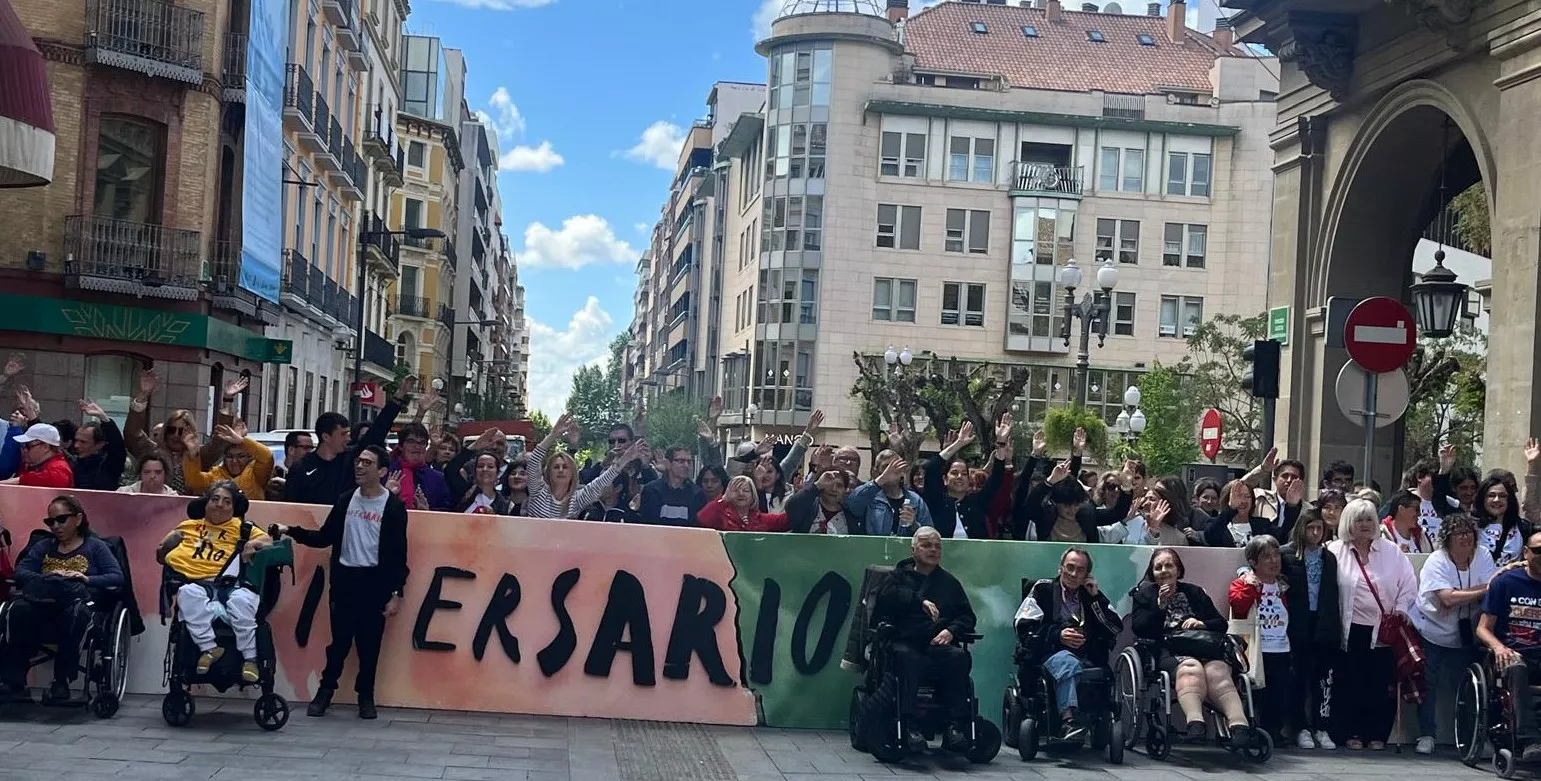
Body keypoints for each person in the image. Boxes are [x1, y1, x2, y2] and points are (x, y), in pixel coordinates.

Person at [275, 444, 408, 720]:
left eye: (367, 463)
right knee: (339, 643)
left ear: (382, 471)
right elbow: (326, 536)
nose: (359, 467)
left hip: (374, 583)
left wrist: (397, 592)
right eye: (358, 462)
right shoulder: (346, 499)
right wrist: (292, 531)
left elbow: (398, 554)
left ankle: (366, 697)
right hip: (345, 580)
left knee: (369, 645)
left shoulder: (393, 507)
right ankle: (325, 693)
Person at [0, 495, 123, 702]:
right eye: (50, 521)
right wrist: (47, 578)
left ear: (78, 518)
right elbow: (21, 571)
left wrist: (86, 578)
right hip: (43, 602)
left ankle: (61, 681)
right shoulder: (44, 546)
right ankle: (13, 681)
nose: (55, 526)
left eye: (61, 519)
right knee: (16, 610)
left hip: (77, 604)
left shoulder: (96, 547)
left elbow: (116, 577)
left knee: (75, 616)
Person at [1130, 547, 1252, 747]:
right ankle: (1196, 723)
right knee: (1191, 668)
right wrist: (1160, 605)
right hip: (1168, 649)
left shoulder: (1194, 592)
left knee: (1218, 671)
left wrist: (1201, 623)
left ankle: (1240, 726)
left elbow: (1220, 624)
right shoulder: (1144, 596)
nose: (1164, 570)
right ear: (1152, 573)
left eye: (1169, 565)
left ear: (1178, 570)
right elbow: (1141, 629)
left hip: (1203, 646)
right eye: (1158, 567)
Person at [871, 527, 977, 753]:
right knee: (908, 659)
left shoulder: (949, 582)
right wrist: (919, 601)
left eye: (937, 546)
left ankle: (954, 725)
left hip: (937, 642)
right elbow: (886, 600)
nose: (933, 550)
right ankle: (910, 725)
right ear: (913, 549)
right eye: (927, 545)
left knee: (958, 657)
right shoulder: (898, 577)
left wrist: (951, 631)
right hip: (906, 640)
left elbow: (967, 616)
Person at [156, 481, 271, 686]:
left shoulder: (244, 528)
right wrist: (166, 548)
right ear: (205, 503)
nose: (219, 505)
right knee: (187, 593)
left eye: (227, 501)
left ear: (234, 507)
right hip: (197, 583)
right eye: (215, 499)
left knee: (242, 602)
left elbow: (268, 541)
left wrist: (253, 544)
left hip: (231, 585)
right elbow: (160, 555)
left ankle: (251, 660)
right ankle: (209, 649)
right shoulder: (187, 526)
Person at [1326, 498, 1417, 750]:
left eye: (1369, 519)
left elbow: (1408, 583)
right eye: (1359, 520)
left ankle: (1377, 733)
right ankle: (1350, 732)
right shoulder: (1334, 550)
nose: (1365, 524)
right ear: (1348, 523)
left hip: (1384, 630)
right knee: (1349, 684)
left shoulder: (1391, 551)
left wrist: (1400, 609)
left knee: (1379, 686)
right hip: (1350, 629)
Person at [1015, 547, 1122, 741]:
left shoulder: (1092, 596)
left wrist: (1096, 598)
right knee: (1067, 661)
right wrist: (1058, 635)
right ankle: (1068, 720)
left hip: (1086, 656)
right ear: (1060, 568)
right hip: (1049, 655)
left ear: (1087, 574)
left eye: (1080, 570)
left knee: (1086, 668)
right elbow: (1023, 626)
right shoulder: (1042, 589)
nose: (1073, 574)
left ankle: (1087, 719)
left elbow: (1115, 628)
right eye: (1069, 567)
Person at [1414, 513, 1495, 755]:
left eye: (1469, 532)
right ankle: (1427, 734)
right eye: (1459, 533)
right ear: (1447, 538)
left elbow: (1495, 588)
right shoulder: (1436, 560)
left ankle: (1474, 737)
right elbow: (1446, 598)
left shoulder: (1484, 555)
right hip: (1433, 631)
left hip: (1469, 632)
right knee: (1428, 686)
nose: (1465, 537)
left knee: (1472, 687)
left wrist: (1459, 596)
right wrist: (1480, 591)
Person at [283, 378, 408, 505]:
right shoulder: (301, 468)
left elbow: (377, 432)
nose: (348, 438)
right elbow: (289, 505)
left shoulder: (351, 458)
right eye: (343, 434)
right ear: (326, 437)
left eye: (348, 433)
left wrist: (398, 398)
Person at [1279, 507, 1341, 750]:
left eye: (1320, 528)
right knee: (1298, 679)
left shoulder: (1329, 558)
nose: (1315, 533)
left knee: (1324, 680)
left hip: (1324, 625)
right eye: (1311, 528)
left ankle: (1321, 726)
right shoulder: (1287, 555)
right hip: (1297, 625)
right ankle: (1300, 727)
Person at [1476, 528, 1541, 759]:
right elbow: (1483, 628)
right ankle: (1529, 740)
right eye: (1538, 550)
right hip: (1513, 653)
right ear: (1526, 552)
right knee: (1516, 666)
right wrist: (1499, 647)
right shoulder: (1507, 582)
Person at [1228, 535, 1295, 743]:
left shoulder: (1285, 586)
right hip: (1254, 648)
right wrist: (1252, 587)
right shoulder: (1243, 583)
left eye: (1276, 555)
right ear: (1253, 563)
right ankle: (1250, 732)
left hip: (1281, 648)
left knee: (1278, 695)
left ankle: (1273, 733)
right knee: (1254, 695)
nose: (1274, 561)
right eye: (1266, 557)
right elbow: (1238, 606)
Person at [525, 414, 637, 519]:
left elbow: (601, 482)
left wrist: (624, 460)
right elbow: (533, 461)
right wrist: (553, 434)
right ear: (548, 472)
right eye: (556, 467)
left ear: (572, 473)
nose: (560, 470)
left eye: (565, 467)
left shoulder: (577, 500)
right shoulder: (537, 491)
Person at [918, 417, 1012, 540]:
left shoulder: (977, 501)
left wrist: (1000, 441)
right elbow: (931, 468)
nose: (959, 477)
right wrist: (959, 443)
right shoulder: (936, 500)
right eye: (954, 473)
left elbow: (996, 479)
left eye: (964, 474)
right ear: (945, 479)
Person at [845, 450, 932, 536]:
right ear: (877, 471)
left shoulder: (915, 500)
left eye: (895, 466)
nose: (891, 470)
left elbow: (929, 534)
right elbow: (852, 505)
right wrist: (881, 479)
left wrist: (913, 525)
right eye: (886, 467)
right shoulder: (869, 496)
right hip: (875, 548)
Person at [183, 422, 275, 501]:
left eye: (240, 456)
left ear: (249, 457)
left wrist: (242, 441)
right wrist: (193, 456)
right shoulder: (216, 474)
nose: (234, 461)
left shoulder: (255, 473)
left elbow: (267, 457)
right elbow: (194, 482)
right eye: (230, 457)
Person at [1242, 448, 1307, 537]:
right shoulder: (1260, 498)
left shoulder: (1308, 510)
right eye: (1285, 476)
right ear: (1275, 480)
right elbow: (1237, 488)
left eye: (1294, 477)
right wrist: (1262, 470)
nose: (1289, 480)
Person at [386, 423, 451, 511]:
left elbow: (445, 512)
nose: (417, 447)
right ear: (401, 446)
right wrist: (386, 494)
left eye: (422, 443)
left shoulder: (437, 479)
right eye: (411, 441)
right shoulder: (386, 472)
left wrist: (427, 512)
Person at [639, 446, 706, 526]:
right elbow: (646, 523)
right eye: (681, 461)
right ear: (669, 463)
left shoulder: (697, 493)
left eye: (689, 462)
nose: (686, 465)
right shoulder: (652, 490)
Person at [696, 475, 789, 532]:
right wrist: (723, 500)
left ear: (753, 496)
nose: (741, 494)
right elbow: (702, 518)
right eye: (736, 490)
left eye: (746, 490)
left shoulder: (761, 519)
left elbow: (787, 520)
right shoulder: (720, 516)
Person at [70, 399, 127, 491]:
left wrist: (103, 417)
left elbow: (117, 446)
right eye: (76, 440)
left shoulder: (109, 465)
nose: (76, 445)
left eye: (83, 442)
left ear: (99, 444)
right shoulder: (73, 463)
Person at [787, 468, 855, 534]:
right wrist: (816, 486)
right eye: (829, 484)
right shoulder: (808, 507)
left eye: (839, 486)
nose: (834, 489)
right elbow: (791, 506)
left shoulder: (850, 515)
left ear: (845, 490)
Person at [6, 423, 72, 488]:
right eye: (23, 445)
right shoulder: (31, 465)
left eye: (28, 446)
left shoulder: (59, 469)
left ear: (45, 447)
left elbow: (53, 479)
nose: (25, 450)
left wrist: (19, 480)